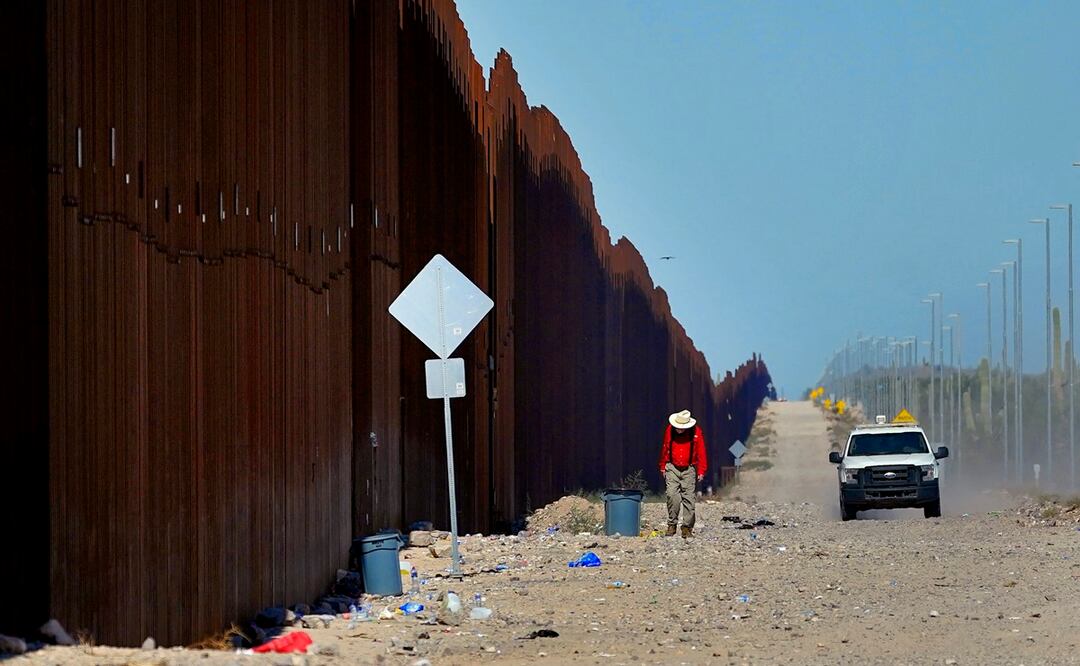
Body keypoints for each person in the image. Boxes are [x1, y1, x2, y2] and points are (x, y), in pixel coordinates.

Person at [657, 409, 707, 538]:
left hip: (689, 468)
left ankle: (687, 528)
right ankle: (672, 525)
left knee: (689, 499)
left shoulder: (696, 432)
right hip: (672, 466)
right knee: (672, 495)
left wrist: (701, 470)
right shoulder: (669, 430)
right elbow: (665, 448)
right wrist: (663, 466)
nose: (679, 430)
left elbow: (701, 452)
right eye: (677, 427)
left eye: (681, 428)